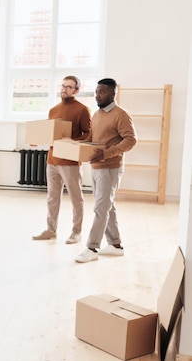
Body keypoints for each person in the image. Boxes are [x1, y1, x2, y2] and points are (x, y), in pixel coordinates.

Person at [75, 78, 137, 263]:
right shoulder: (97, 114)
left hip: (110, 167)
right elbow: (93, 138)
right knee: (107, 206)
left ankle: (92, 248)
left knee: (101, 208)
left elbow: (130, 140)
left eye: (102, 92)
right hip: (96, 167)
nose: (97, 95)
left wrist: (107, 154)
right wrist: (76, 145)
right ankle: (116, 245)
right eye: (96, 91)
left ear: (112, 93)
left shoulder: (121, 115)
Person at [33, 76, 92, 244]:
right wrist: (37, 138)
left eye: (69, 87)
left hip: (70, 162)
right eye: (63, 86)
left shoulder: (82, 110)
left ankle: (76, 231)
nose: (64, 89)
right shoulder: (53, 110)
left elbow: (89, 134)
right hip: (52, 160)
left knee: (75, 197)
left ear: (76, 91)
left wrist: (73, 142)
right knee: (52, 197)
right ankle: (51, 229)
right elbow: (49, 133)